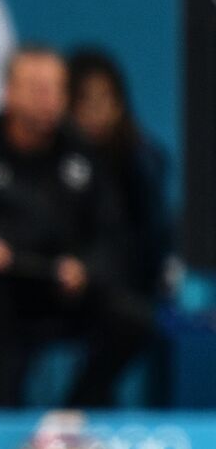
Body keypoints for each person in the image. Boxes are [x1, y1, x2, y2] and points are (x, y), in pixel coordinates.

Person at [0, 43, 153, 408]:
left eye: (56, 88)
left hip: (63, 294)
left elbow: (115, 237)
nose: (48, 98)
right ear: (9, 93)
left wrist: (87, 268)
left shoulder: (84, 158)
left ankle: (71, 417)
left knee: (134, 318)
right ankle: (1, 427)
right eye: (37, 88)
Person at [67, 47, 171, 303]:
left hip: (126, 289)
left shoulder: (142, 160)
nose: (97, 112)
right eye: (85, 101)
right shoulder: (52, 160)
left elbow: (152, 242)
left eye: (106, 99)